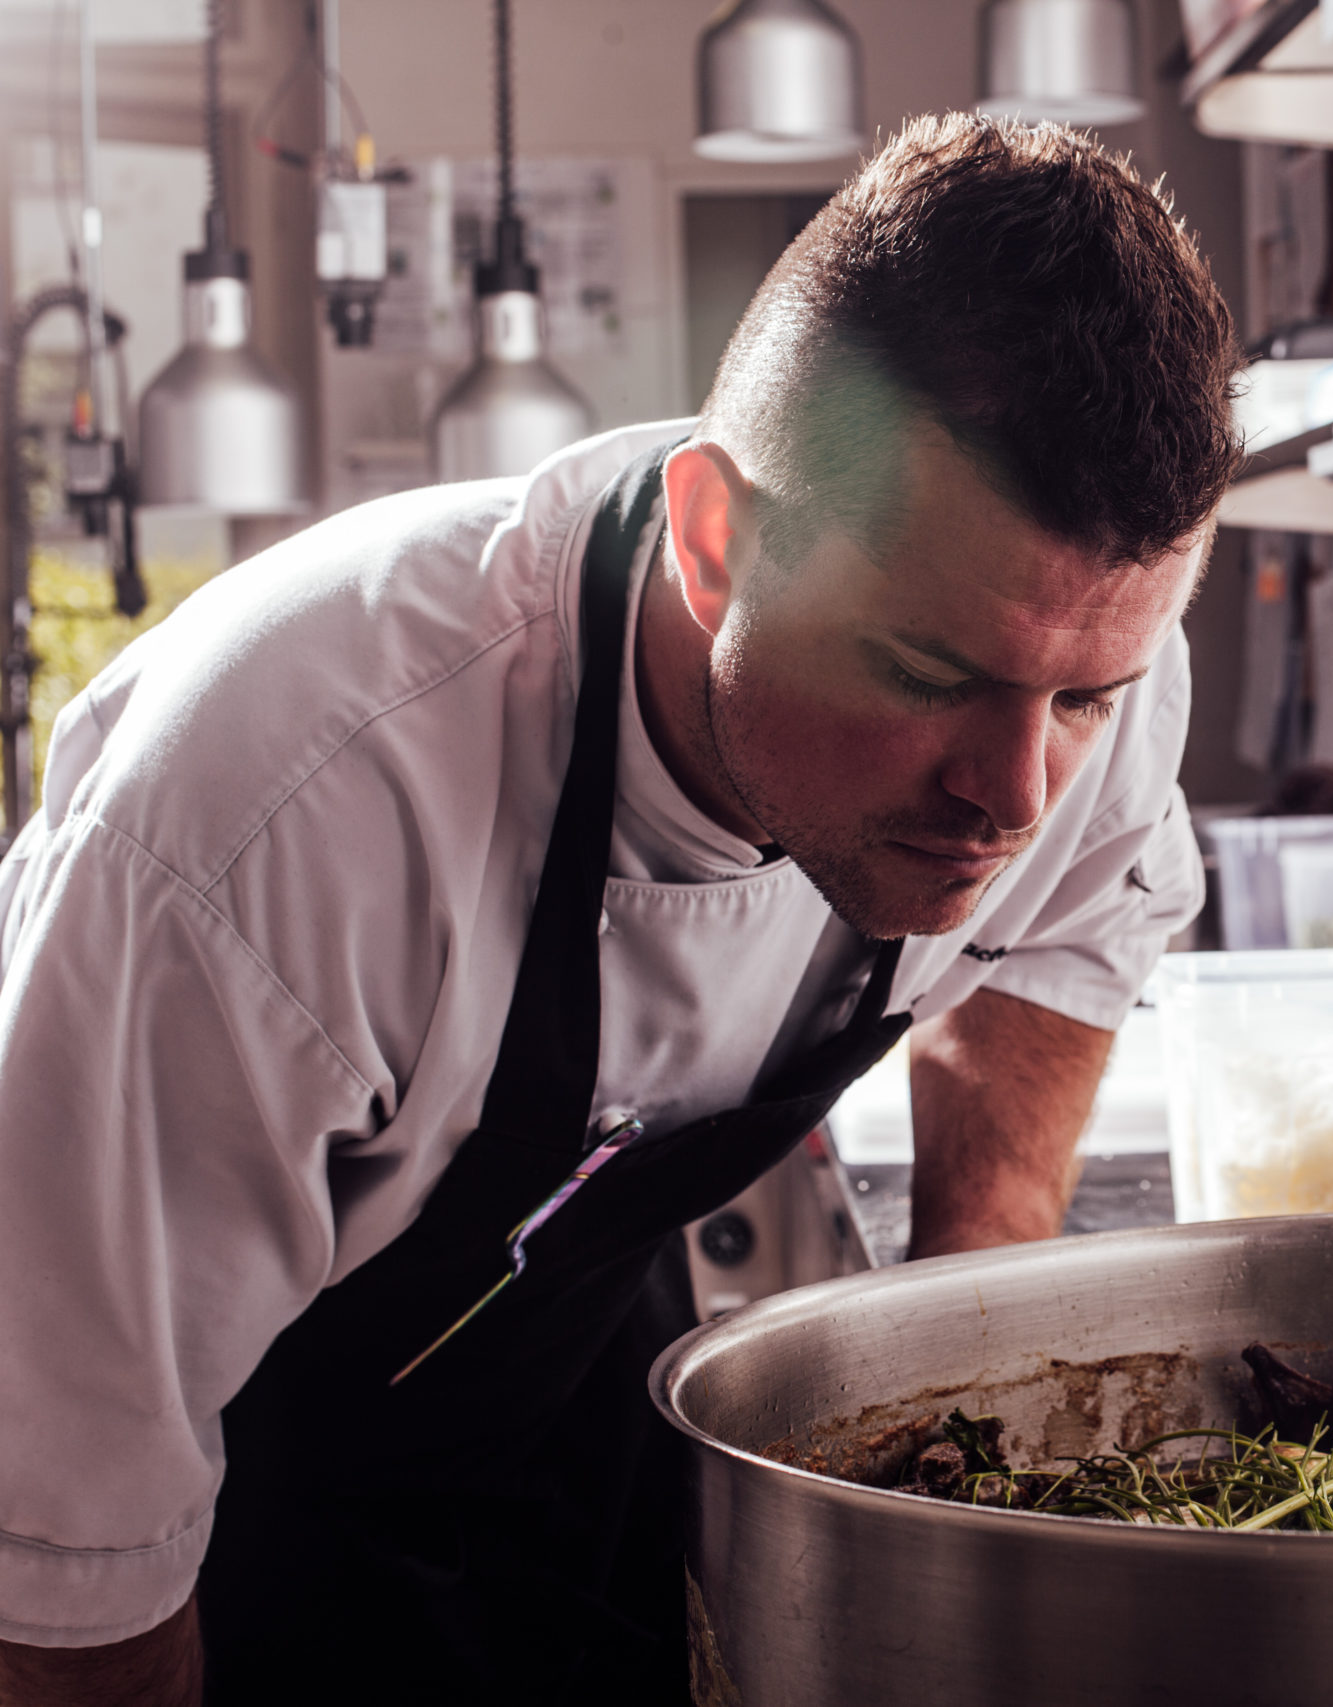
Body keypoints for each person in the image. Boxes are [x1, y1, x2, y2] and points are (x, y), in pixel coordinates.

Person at [0, 112, 1240, 1704]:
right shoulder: (274, 824)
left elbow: (1070, 930)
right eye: (927, 675)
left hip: (570, 1411)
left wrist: (962, 1378)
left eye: (1085, 700)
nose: (1014, 792)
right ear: (718, 542)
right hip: (219, 1524)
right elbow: (63, 1571)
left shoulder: (1070, 649)